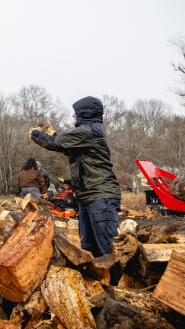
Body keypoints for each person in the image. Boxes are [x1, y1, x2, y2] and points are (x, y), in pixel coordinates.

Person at [30, 96, 121, 257]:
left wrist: (37, 135)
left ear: (85, 113)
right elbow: (68, 148)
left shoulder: (89, 130)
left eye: (76, 112)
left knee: (105, 248)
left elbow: (58, 143)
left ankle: (113, 281)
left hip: (100, 196)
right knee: (87, 248)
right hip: (88, 197)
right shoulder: (88, 132)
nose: (73, 115)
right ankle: (95, 280)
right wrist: (54, 135)